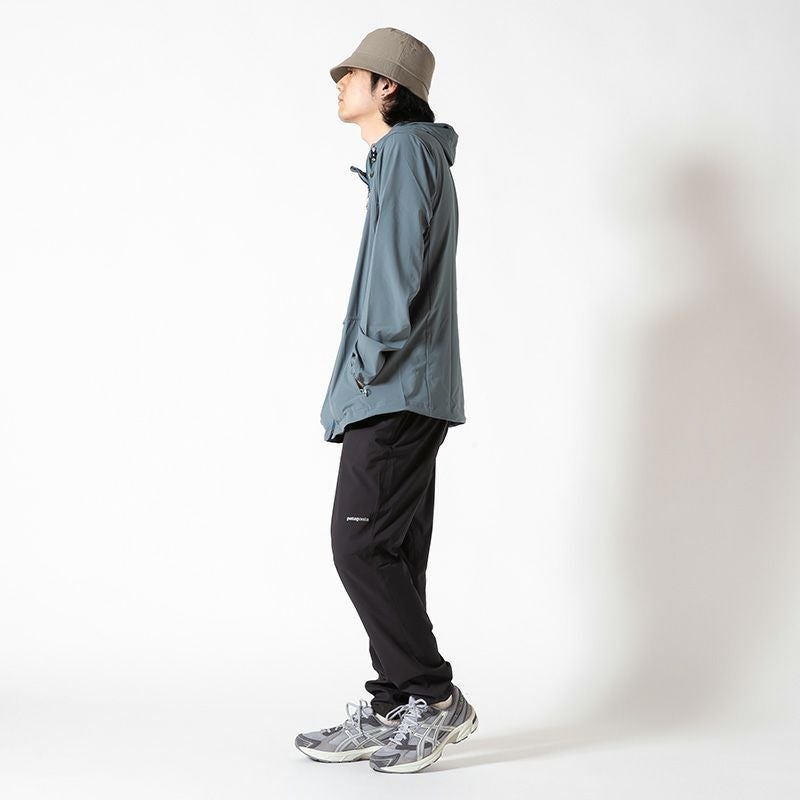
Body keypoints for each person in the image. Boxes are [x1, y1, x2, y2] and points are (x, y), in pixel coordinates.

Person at [294, 27, 477, 774]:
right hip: (411, 387)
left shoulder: (403, 152)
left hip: (395, 387)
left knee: (360, 546)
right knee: (393, 552)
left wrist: (366, 368)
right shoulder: (407, 157)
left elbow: (396, 278)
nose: (340, 83)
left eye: (354, 73)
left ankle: (433, 696)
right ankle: (397, 701)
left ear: (388, 87)